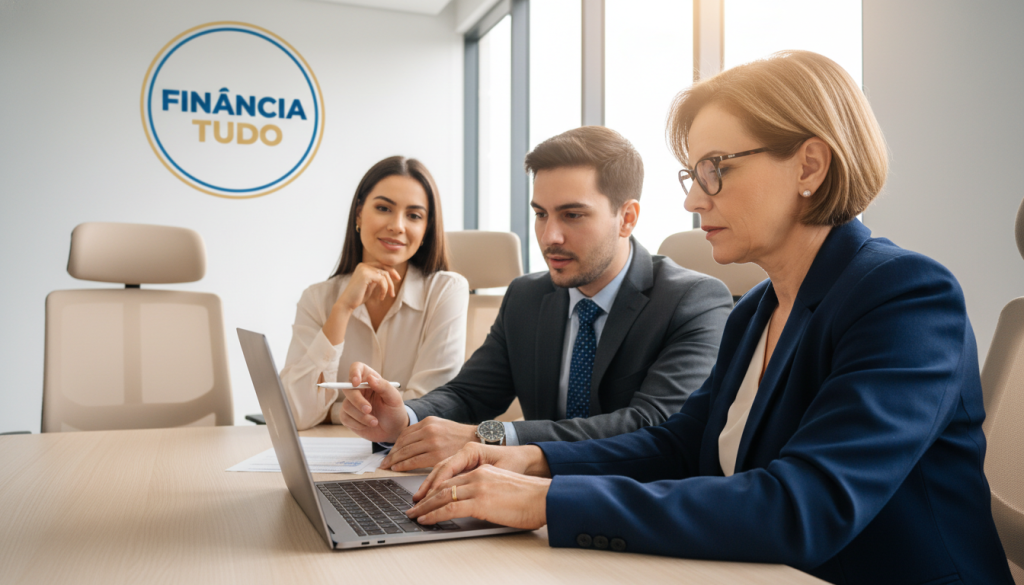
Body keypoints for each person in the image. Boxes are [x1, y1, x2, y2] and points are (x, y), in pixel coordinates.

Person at [401, 51, 1015, 584]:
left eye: (716, 169)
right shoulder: (756, 310)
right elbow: (677, 444)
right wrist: (531, 460)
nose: (694, 198)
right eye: (693, 175)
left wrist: (548, 500)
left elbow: (807, 505)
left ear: (809, 166)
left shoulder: (904, 295)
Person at [339, 126, 734, 471]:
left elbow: (649, 424)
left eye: (572, 215)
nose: (549, 237)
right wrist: (404, 417)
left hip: (633, 504)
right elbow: (469, 393)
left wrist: (488, 436)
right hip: (526, 504)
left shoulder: (693, 301)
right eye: (541, 214)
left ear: (627, 218)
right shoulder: (527, 296)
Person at [280, 156, 468, 431]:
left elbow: (429, 409)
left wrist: (333, 412)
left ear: (426, 228)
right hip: (328, 453)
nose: (397, 226)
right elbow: (295, 413)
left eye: (414, 215)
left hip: (409, 455)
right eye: (383, 208)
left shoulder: (446, 291)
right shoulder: (317, 299)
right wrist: (343, 308)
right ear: (359, 214)